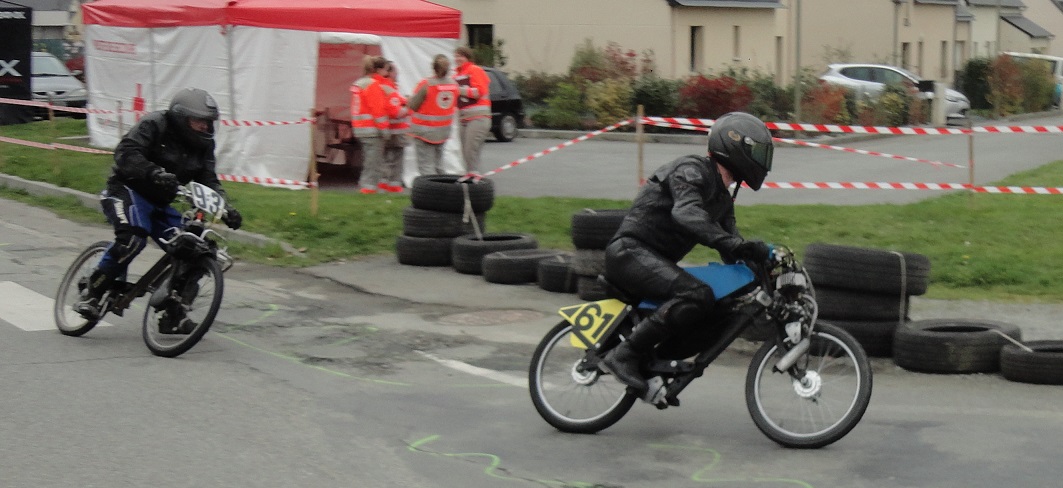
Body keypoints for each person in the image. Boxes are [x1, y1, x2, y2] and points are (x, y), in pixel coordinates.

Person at [600, 111, 775, 395]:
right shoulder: (692, 170)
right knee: (696, 294)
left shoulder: (722, 199)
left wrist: (763, 264)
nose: (761, 160)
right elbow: (687, 213)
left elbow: (731, 244)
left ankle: (657, 361)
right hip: (630, 253)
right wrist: (735, 245)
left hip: (654, 262)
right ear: (735, 146)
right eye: (757, 152)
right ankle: (624, 355)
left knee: (722, 307)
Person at [74, 87, 242, 332]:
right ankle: (93, 291)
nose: (205, 127)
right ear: (181, 117)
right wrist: (153, 172)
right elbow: (126, 153)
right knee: (133, 239)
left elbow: (208, 179)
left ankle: (173, 314)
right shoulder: (154, 124)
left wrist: (225, 208)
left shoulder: (204, 145)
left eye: (208, 122)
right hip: (126, 190)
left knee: (197, 251)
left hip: (161, 203)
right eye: (199, 121)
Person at [408, 54, 459, 176]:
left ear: (433, 68)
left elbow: (413, 105)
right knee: (439, 165)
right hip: (443, 131)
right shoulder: (454, 85)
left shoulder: (427, 84)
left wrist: (408, 99)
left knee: (426, 167)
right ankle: (441, 184)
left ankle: (430, 187)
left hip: (424, 132)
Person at [351, 56, 393, 194]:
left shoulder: (359, 84)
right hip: (372, 130)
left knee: (368, 160)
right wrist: (385, 130)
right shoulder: (372, 85)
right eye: (385, 69)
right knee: (373, 162)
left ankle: (367, 185)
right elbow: (378, 111)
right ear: (377, 70)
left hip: (360, 128)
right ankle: (368, 187)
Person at [452, 46, 491, 174]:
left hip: (478, 117)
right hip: (463, 118)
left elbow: (479, 92)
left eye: (460, 56)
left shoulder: (475, 70)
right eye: (456, 56)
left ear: (467, 57)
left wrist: (458, 90)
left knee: (471, 150)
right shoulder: (456, 75)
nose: (457, 59)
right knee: (466, 152)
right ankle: (472, 174)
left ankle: (474, 175)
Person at [379, 60, 409, 192]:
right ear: (390, 72)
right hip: (396, 130)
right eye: (395, 71)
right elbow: (395, 111)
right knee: (397, 158)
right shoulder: (390, 89)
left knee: (385, 157)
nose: (398, 73)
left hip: (386, 129)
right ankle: (394, 184)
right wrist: (409, 108)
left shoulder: (381, 86)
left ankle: (383, 181)